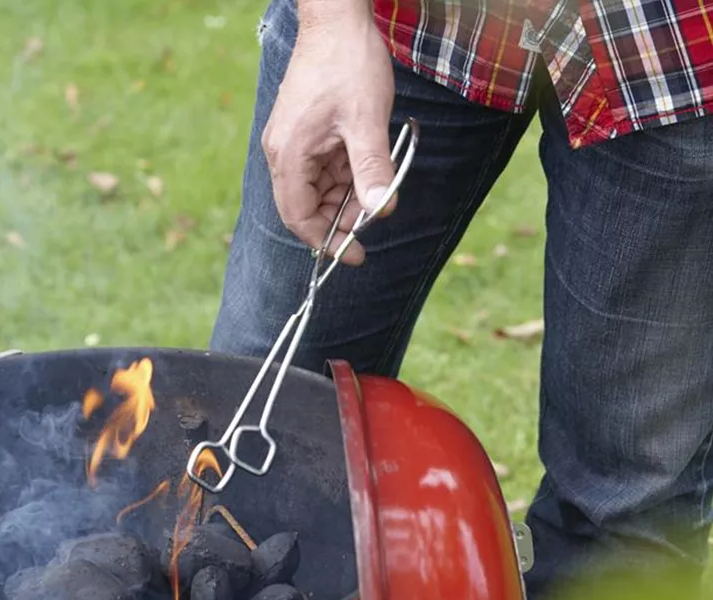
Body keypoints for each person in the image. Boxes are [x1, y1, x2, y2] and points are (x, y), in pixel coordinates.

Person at [208, 0, 713, 598]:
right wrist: (330, 25)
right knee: (257, 425)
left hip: (671, 45)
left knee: (626, 507)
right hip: (402, 24)